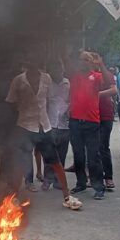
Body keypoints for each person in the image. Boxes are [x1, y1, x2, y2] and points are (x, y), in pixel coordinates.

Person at [5, 54, 82, 210]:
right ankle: (13, 197)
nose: (32, 63)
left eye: (35, 60)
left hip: (43, 126)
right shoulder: (18, 80)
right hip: (24, 126)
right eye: (29, 60)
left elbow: (50, 99)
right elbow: (11, 102)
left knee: (55, 162)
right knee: (21, 163)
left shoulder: (46, 78)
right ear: (26, 62)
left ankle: (67, 197)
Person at [64, 49, 114, 200]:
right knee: (78, 154)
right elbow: (66, 61)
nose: (83, 62)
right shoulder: (74, 76)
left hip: (92, 122)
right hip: (75, 121)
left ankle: (99, 187)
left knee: (93, 156)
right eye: (81, 59)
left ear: (92, 62)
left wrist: (102, 65)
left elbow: (108, 82)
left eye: (87, 59)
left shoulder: (97, 76)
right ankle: (81, 183)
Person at [44, 61, 70, 191]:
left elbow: (71, 100)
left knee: (61, 153)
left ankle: (58, 181)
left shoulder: (68, 84)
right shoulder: (48, 84)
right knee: (49, 153)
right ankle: (47, 180)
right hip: (51, 123)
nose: (58, 71)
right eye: (55, 69)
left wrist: (69, 110)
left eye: (60, 68)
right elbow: (46, 101)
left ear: (63, 69)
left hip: (64, 124)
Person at [98, 67, 118, 189]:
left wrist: (96, 95)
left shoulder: (107, 75)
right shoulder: (84, 75)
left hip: (105, 115)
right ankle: (94, 177)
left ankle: (108, 177)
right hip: (90, 114)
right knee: (91, 148)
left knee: (103, 146)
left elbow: (114, 90)